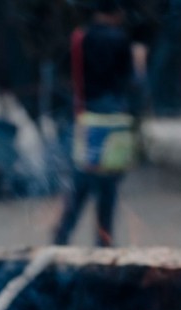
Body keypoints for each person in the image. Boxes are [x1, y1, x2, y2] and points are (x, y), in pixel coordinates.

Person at [54, 0, 143, 246]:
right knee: (108, 185)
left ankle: (61, 236)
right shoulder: (120, 39)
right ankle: (104, 241)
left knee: (81, 180)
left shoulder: (80, 38)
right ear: (118, 12)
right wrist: (140, 64)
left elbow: (67, 74)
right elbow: (131, 81)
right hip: (114, 117)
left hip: (86, 114)